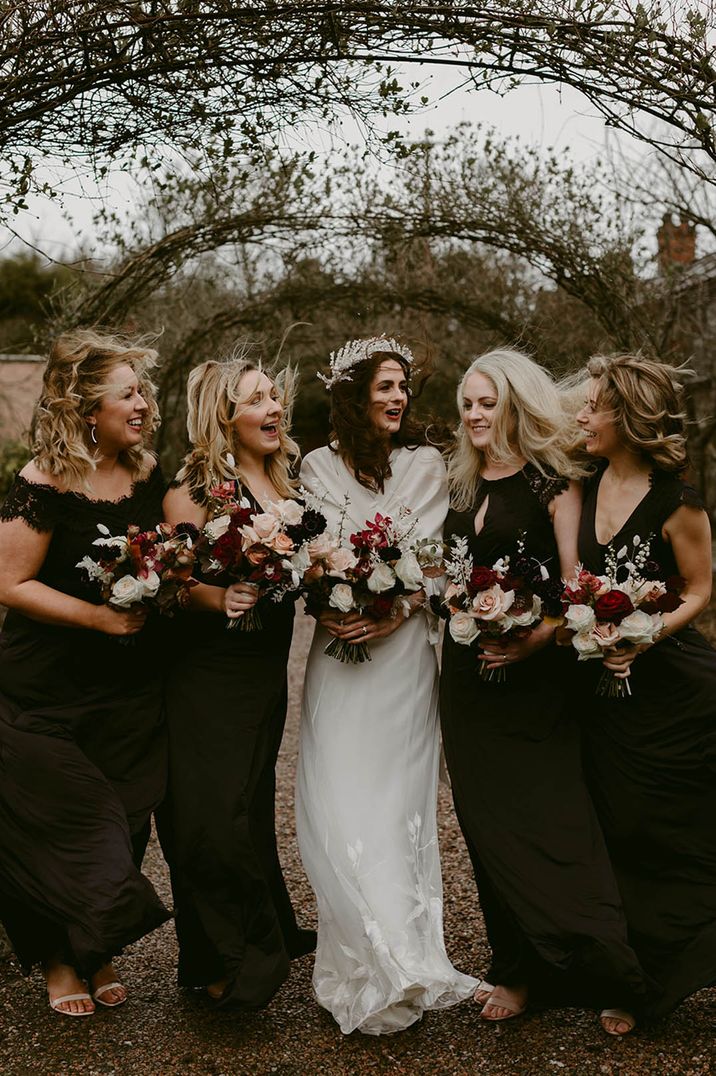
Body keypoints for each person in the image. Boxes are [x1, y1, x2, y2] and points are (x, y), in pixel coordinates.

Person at [439, 348, 653, 1030]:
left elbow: (572, 591)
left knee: (555, 825)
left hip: (536, 686)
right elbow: (449, 574)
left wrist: (532, 635)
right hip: (468, 684)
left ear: (514, 405)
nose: (474, 414)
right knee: (486, 829)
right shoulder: (462, 486)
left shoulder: (553, 487)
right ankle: (518, 969)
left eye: (486, 402)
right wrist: (453, 609)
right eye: (467, 403)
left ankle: (614, 969)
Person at [295, 336, 476, 1036]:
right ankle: (356, 953)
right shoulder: (315, 464)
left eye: (403, 386)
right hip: (338, 657)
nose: (397, 397)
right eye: (384, 386)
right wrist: (330, 602)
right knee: (333, 798)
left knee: (395, 806)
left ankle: (404, 955)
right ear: (354, 394)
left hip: (400, 659)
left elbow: (432, 560)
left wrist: (392, 609)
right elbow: (310, 553)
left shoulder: (426, 464)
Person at [0, 329, 170, 1017]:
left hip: (129, 685)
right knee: (65, 822)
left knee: (128, 818)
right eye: (127, 393)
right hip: (46, 687)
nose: (142, 404)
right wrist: (97, 617)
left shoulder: (146, 470)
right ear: (84, 406)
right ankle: (58, 960)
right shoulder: (42, 482)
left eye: (142, 391)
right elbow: (9, 583)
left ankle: (96, 946)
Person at [161, 354, 314, 1008]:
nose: (275, 406)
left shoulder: (285, 479)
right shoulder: (195, 491)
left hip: (264, 671)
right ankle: (230, 958)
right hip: (208, 674)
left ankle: (255, 934)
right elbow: (169, 578)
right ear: (224, 415)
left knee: (249, 803)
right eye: (257, 398)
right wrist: (213, 599)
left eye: (275, 394)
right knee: (209, 814)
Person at [575, 352, 716, 1032]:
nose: (580, 416)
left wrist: (645, 632)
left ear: (625, 417)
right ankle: (628, 964)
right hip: (601, 697)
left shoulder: (677, 502)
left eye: (592, 406)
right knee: (617, 830)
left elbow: (700, 590)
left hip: (674, 695)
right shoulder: (578, 485)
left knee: (675, 830)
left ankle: (658, 979)